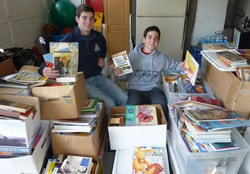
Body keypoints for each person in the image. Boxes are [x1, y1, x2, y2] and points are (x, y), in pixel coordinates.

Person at [38, 4, 127, 115]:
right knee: (110, 103)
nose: (88, 22)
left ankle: (121, 125)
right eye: (84, 18)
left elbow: (104, 48)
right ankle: (109, 130)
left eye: (91, 19)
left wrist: (101, 56)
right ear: (77, 19)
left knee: (124, 98)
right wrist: (44, 70)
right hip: (82, 81)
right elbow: (45, 63)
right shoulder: (67, 41)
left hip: (98, 76)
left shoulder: (99, 37)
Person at [111, 25, 182, 120]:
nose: (152, 41)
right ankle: (131, 130)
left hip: (153, 89)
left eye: (156, 38)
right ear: (143, 39)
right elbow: (124, 77)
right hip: (134, 90)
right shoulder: (132, 56)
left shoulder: (162, 58)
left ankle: (164, 128)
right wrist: (118, 74)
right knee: (131, 107)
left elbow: (176, 66)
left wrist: (187, 64)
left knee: (162, 103)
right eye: (149, 37)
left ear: (158, 42)